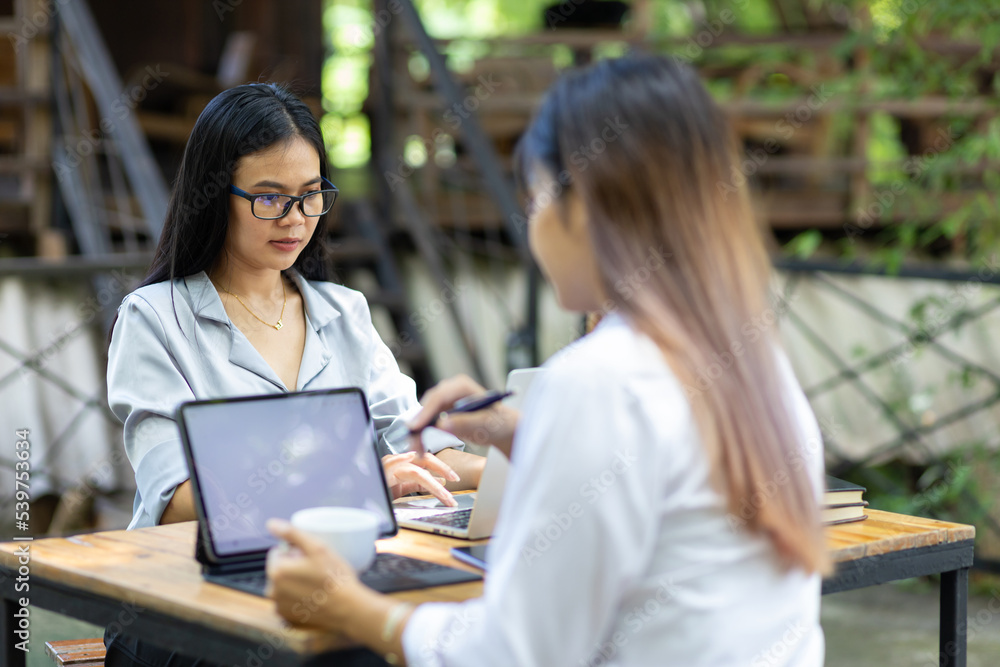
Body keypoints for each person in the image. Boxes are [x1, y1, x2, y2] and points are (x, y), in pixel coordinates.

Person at [267, 55, 830, 667]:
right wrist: (529, 437)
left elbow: (515, 653)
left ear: (582, 204)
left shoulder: (600, 381)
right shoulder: (750, 359)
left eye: (535, 199)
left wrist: (352, 607)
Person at [104, 83, 485, 666]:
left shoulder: (342, 311)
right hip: (184, 596)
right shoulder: (155, 318)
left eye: (311, 196)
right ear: (214, 197)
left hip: (322, 577)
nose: (296, 218)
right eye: (269, 198)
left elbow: (416, 445)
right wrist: (353, 483)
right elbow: (178, 498)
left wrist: (513, 461)